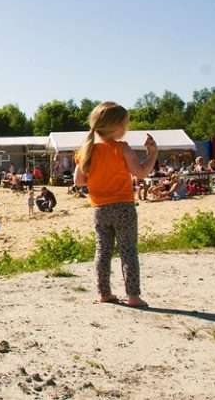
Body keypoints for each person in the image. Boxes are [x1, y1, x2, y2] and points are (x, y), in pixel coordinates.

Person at [74, 101, 157, 308]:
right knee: (128, 250)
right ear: (117, 127)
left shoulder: (86, 150)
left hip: (100, 209)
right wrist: (153, 154)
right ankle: (133, 296)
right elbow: (141, 173)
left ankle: (104, 293)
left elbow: (78, 181)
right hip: (124, 207)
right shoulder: (122, 148)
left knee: (102, 251)